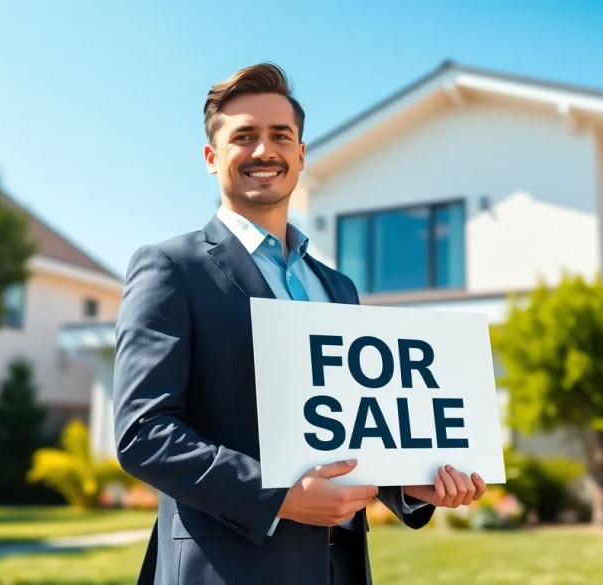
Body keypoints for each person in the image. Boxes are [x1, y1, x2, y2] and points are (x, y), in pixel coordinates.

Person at [112, 62, 487, 585]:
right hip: (225, 570)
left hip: (338, 569)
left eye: (280, 135)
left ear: (301, 154)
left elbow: (348, 427)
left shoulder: (338, 288)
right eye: (244, 136)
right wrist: (278, 497)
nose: (264, 150)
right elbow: (143, 432)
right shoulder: (171, 268)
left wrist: (408, 484)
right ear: (211, 157)